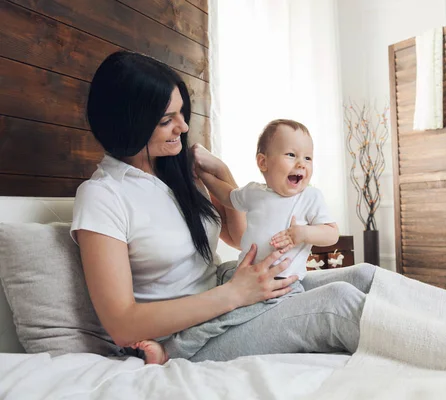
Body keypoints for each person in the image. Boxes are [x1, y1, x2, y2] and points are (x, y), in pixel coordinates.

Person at [71, 50, 376, 365]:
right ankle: (432, 355)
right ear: (128, 124)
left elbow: (240, 236)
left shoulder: (173, 172)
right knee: (339, 304)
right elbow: (122, 325)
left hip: (231, 291)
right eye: (166, 120)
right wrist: (236, 294)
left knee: (363, 277)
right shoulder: (103, 196)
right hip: (188, 335)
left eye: (181, 113)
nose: (183, 127)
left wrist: (223, 174)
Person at [134, 119, 340, 363]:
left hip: (280, 287)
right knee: (220, 316)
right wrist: (203, 174)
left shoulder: (310, 197)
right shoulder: (254, 193)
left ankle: (170, 351)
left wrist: (303, 234)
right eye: (291, 155)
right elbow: (228, 197)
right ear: (263, 162)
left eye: (308, 158)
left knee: (224, 317)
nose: (301, 164)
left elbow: (331, 233)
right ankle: (174, 350)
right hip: (244, 279)